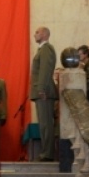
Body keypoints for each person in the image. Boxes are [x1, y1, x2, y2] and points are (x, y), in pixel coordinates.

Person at [30, 27, 57, 162]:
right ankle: (45, 152)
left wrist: (41, 89)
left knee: (46, 124)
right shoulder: (41, 49)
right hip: (41, 90)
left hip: (44, 91)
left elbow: (45, 71)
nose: (35, 34)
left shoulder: (46, 49)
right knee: (43, 124)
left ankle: (47, 154)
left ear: (45, 34)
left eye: (37, 32)